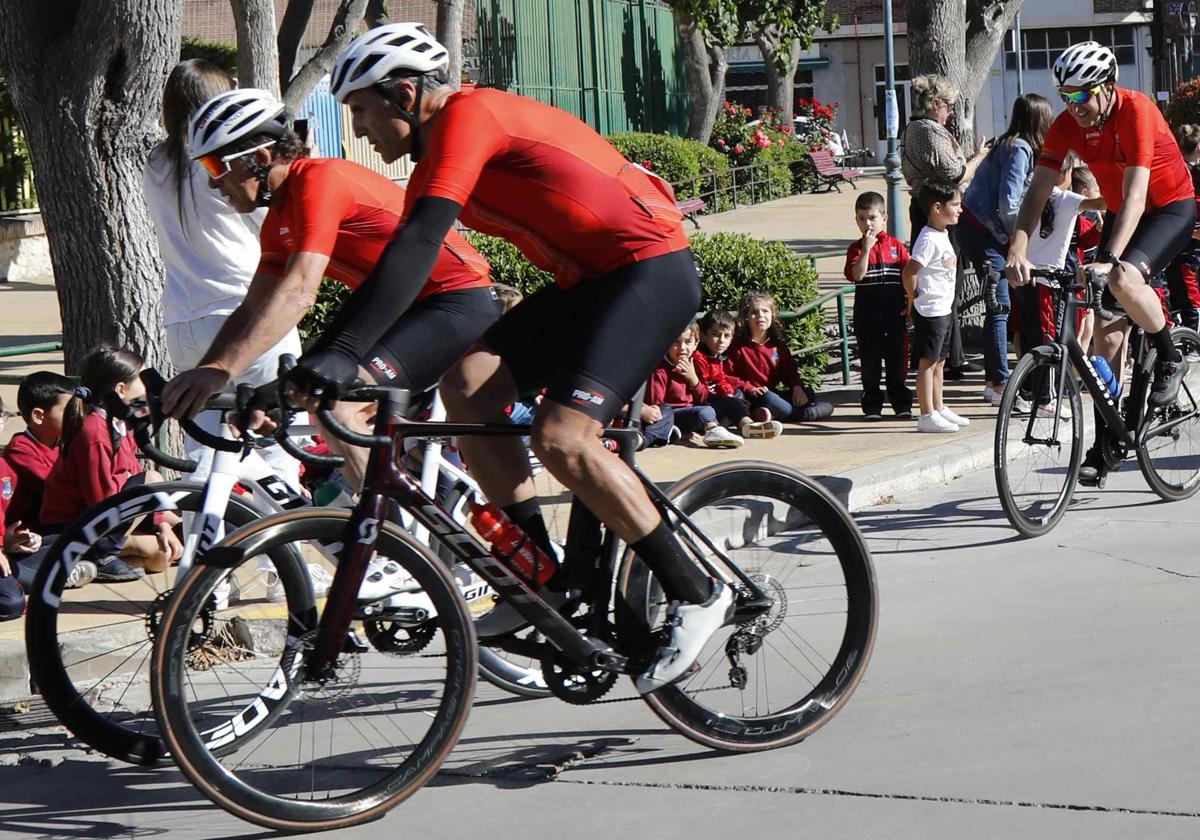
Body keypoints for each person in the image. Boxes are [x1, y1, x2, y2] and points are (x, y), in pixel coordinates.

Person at [303, 22, 730, 692]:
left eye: (360, 110)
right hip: (589, 286)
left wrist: (345, 354)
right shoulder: (433, 157)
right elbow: (402, 265)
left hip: (648, 271)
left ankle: (698, 591)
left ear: (406, 93)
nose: (358, 132)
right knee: (468, 383)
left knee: (562, 438)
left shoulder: (470, 118)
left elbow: (419, 246)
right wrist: (330, 357)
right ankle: (543, 577)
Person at [160, 86, 499, 492]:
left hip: (457, 301)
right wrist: (211, 370)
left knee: (335, 405)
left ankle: (384, 537)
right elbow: (253, 308)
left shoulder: (319, 181)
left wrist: (222, 372)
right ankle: (400, 518)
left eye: (216, 166)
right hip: (407, 313)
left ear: (261, 158)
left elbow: (299, 291)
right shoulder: (279, 218)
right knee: (320, 397)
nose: (214, 185)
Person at [1006, 40, 1195, 486]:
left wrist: (1109, 258)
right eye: (1064, 96)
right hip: (1122, 212)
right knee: (1104, 345)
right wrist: (1017, 245)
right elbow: (1038, 192)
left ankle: (1170, 356)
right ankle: (1109, 439)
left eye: (1080, 95)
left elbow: (1134, 196)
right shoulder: (1067, 126)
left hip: (1168, 208)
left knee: (1124, 277)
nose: (1072, 106)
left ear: (1107, 87)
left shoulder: (1138, 111)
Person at [143, 60, 304, 488]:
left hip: (183, 321)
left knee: (207, 454)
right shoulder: (225, 162)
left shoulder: (157, 163)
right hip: (245, 310)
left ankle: (207, 538)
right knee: (279, 443)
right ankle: (282, 546)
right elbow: (272, 228)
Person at [41, 346, 183, 582]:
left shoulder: (119, 422)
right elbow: (101, 498)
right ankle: (100, 557)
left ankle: (96, 560)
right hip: (75, 528)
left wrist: (162, 525)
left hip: (110, 520)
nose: (147, 387)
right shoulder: (94, 431)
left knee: (162, 553)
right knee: (152, 480)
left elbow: (131, 473)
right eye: (141, 380)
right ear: (120, 389)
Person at [960, 93, 1054, 406]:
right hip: (984, 230)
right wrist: (1024, 236)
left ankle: (1000, 381)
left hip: (978, 227)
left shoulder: (1006, 142)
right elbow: (1009, 203)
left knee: (1000, 305)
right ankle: (998, 384)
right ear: (1039, 120)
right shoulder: (1021, 148)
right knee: (999, 306)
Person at [901, 74, 989, 379]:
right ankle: (943, 358)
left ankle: (951, 356)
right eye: (949, 106)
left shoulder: (920, 129)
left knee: (945, 283)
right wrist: (978, 158)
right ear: (935, 103)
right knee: (940, 282)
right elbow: (955, 173)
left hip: (933, 209)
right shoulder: (927, 131)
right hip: (936, 212)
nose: (951, 112)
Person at [904, 182, 971, 434]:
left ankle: (939, 406)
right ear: (936, 207)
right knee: (927, 362)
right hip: (930, 309)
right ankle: (926, 414)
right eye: (955, 205)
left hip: (943, 307)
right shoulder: (928, 239)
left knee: (940, 361)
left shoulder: (941, 233)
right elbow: (910, 271)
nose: (960, 210)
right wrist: (914, 297)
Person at [845, 191, 913, 420]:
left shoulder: (897, 247)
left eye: (872, 217)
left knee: (897, 365)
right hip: (867, 318)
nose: (868, 224)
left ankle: (901, 403)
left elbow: (909, 277)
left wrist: (911, 303)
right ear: (856, 221)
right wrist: (866, 249)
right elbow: (857, 274)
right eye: (862, 218)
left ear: (884, 218)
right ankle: (872, 406)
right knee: (870, 366)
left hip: (894, 316)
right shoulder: (856, 249)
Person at [727, 291, 834, 423]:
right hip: (753, 395)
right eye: (754, 312)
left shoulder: (778, 346)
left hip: (772, 392)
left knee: (808, 393)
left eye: (765, 311)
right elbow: (728, 376)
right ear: (747, 317)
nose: (760, 316)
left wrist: (796, 387)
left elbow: (789, 370)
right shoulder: (738, 347)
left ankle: (766, 414)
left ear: (772, 315)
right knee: (769, 398)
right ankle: (803, 415)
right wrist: (750, 388)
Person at [644, 323, 744, 449]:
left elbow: (702, 398)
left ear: (696, 344)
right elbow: (657, 405)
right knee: (705, 411)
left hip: (693, 413)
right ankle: (713, 430)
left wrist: (693, 379)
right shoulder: (660, 370)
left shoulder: (694, 365)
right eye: (676, 342)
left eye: (688, 342)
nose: (682, 348)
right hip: (671, 416)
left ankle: (745, 425)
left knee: (730, 402)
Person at [695, 310, 782, 438]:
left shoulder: (715, 357)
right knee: (734, 403)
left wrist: (727, 392)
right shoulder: (699, 358)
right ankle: (747, 424)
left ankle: (736, 422)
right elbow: (701, 389)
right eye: (715, 335)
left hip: (713, 399)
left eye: (726, 336)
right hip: (703, 403)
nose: (721, 341)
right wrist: (726, 397)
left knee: (737, 395)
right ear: (702, 336)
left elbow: (721, 379)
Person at [4, 371, 73, 533]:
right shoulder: (20, 449)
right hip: (34, 533)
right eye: (68, 411)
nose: (77, 415)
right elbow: (58, 490)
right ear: (39, 416)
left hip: (64, 522)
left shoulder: (64, 441)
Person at [1164, 124, 1200, 332]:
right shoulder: (1184, 170)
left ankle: (1190, 339)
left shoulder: (1184, 168)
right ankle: (1191, 339)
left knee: (1185, 292)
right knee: (1187, 293)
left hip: (1182, 242)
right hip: (1183, 244)